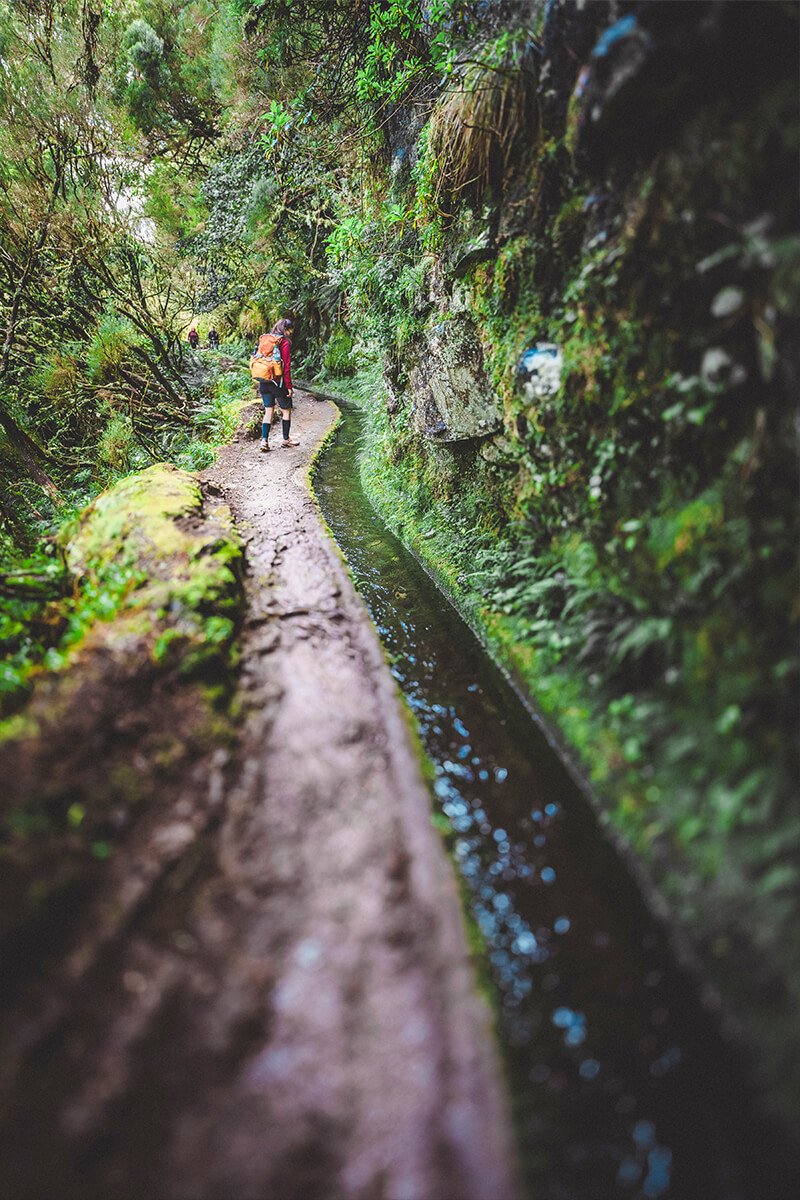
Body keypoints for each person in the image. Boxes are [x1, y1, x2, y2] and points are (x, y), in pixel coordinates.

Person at [254, 317, 297, 451]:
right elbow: (286, 366)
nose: (290, 333)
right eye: (290, 330)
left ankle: (264, 441)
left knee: (268, 411)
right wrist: (289, 387)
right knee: (286, 410)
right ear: (287, 330)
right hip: (278, 383)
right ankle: (285, 439)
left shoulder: (266, 340)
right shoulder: (283, 343)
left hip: (264, 381)